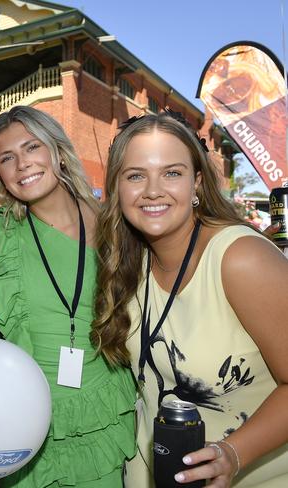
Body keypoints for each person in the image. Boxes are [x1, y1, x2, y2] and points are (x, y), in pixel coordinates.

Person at [92, 113, 288, 487]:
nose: (152, 190)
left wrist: (233, 453)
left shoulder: (240, 259)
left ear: (197, 181)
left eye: (171, 173)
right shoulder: (131, 262)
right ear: (117, 187)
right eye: (135, 175)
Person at [0, 105, 136, 487]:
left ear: (58, 152)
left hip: (103, 414)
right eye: (7, 158)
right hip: (24, 421)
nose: (22, 164)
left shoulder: (118, 225)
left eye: (32, 147)